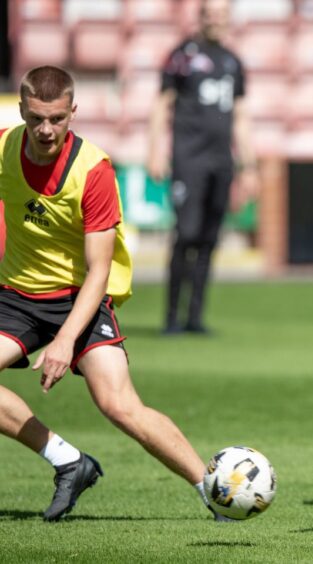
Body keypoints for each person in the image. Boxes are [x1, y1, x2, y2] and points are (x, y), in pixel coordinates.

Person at [0, 65, 223, 521]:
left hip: (79, 296)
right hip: (17, 296)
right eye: (37, 118)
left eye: (57, 119)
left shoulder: (93, 170)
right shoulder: (2, 147)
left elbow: (99, 270)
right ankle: (67, 460)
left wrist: (65, 340)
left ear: (73, 112)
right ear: (20, 109)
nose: (46, 129)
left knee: (120, 405)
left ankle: (213, 492)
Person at [147, 0, 258, 334]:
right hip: (189, 158)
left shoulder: (233, 62)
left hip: (221, 161)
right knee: (187, 234)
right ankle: (171, 317)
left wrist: (249, 165)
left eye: (222, 15)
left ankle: (194, 317)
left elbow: (240, 116)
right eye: (210, 14)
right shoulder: (181, 56)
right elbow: (161, 104)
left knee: (209, 238)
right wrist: (155, 149)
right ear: (201, 18)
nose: (216, 20)